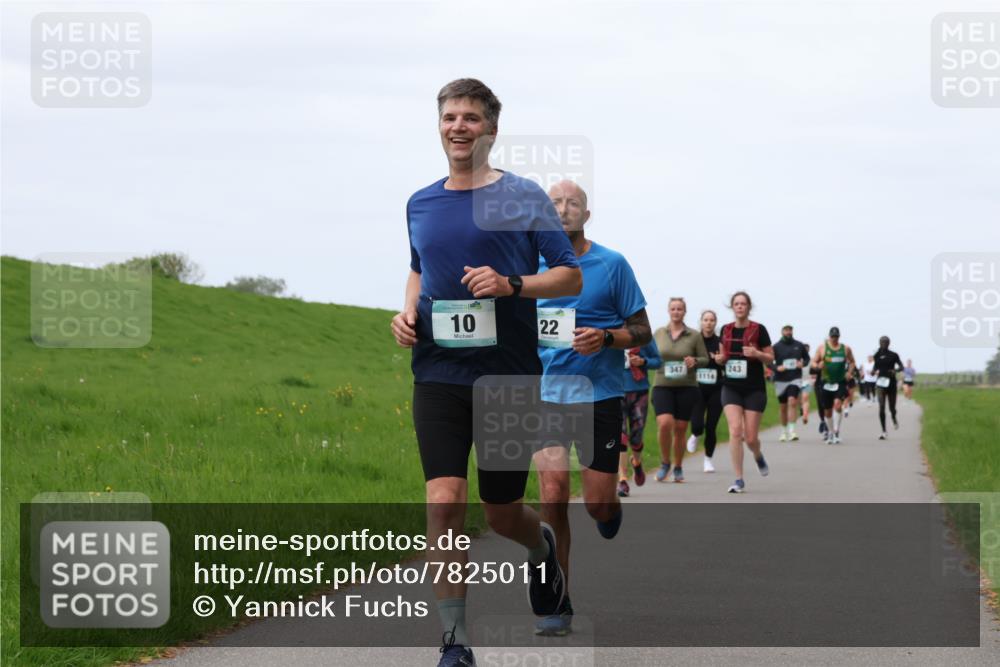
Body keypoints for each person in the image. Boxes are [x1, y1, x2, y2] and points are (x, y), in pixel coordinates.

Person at [391, 79, 583, 667]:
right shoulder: (420, 202)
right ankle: (454, 641)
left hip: (507, 376)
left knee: (501, 511)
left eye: (471, 117)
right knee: (444, 500)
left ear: (491, 129)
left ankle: (541, 543)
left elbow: (569, 276)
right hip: (439, 373)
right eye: (450, 116)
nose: (459, 126)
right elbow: (419, 270)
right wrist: (405, 313)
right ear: (439, 125)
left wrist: (511, 285)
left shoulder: (522, 195)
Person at [534, 180, 652, 636]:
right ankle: (556, 599)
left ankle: (610, 512)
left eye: (573, 203)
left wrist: (606, 338)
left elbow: (642, 329)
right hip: (544, 395)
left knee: (597, 504)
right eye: (554, 203)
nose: (563, 209)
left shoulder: (612, 264)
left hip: (600, 395)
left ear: (587, 214)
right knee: (553, 492)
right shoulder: (529, 266)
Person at [713, 292, 774, 493]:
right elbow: (722, 356)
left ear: (749, 307)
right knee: (735, 431)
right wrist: (720, 359)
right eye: (736, 304)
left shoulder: (759, 329)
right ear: (732, 307)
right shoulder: (725, 329)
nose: (740, 307)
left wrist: (757, 354)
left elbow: (771, 359)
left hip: (754, 389)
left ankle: (757, 455)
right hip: (731, 387)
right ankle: (738, 479)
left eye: (743, 304)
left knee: (750, 438)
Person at [651, 298, 709, 483]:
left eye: (680, 309)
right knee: (665, 423)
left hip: (686, 386)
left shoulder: (694, 335)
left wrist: (695, 361)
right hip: (662, 385)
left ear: (685, 312)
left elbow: (705, 359)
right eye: (673, 308)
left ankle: (678, 466)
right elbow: (651, 356)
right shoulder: (659, 333)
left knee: (681, 429)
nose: (676, 312)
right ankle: (664, 463)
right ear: (668, 311)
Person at [619, 340, 661, 497]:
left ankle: (636, 462)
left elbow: (658, 361)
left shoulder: (644, 337)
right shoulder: (609, 332)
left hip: (639, 391)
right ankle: (622, 480)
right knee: (620, 436)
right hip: (615, 391)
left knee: (636, 437)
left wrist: (643, 361)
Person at [687, 310, 725, 472]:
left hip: (717, 388)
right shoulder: (695, 340)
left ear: (715, 323)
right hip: (697, 388)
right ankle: (695, 435)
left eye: (711, 320)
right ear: (701, 322)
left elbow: (727, 363)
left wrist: (720, 360)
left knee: (711, 426)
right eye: (705, 320)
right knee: (697, 424)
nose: (708, 323)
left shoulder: (720, 341)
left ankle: (708, 460)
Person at [811, 326, 856, 444]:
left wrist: (849, 372)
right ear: (829, 336)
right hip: (826, 382)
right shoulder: (822, 348)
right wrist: (817, 366)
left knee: (837, 405)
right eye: (832, 337)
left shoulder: (845, 349)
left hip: (840, 381)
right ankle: (831, 432)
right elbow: (813, 362)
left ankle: (836, 431)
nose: (834, 339)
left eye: (836, 337)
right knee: (827, 410)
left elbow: (852, 361)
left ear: (839, 337)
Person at [770, 324, 810, 442]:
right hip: (781, 380)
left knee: (792, 401)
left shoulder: (799, 345)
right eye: (786, 330)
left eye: (790, 330)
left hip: (795, 378)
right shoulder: (776, 347)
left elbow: (807, 358)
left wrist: (802, 364)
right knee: (783, 407)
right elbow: (768, 362)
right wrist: (777, 368)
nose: (788, 332)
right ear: (782, 332)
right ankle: (783, 431)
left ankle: (792, 431)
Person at [872, 336, 904, 439]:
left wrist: (896, 370)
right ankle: (884, 431)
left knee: (892, 408)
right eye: (882, 342)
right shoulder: (876, 355)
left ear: (889, 343)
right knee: (881, 407)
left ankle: (894, 417)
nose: (884, 344)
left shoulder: (894, 355)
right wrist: (873, 371)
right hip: (881, 383)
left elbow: (901, 366)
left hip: (891, 383)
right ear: (879, 343)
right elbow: (875, 367)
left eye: (886, 342)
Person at [799, 343, 813, 425]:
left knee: (805, 397)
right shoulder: (798, 359)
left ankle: (805, 416)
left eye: (808, 350)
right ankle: (801, 408)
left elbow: (814, 371)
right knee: (798, 400)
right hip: (797, 381)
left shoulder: (811, 360)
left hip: (807, 381)